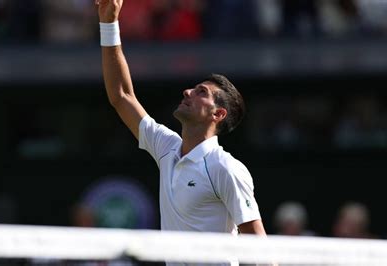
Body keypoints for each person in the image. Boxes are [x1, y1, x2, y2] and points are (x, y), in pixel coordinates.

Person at [96, 0, 267, 241]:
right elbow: (121, 96)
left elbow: (258, 245)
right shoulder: (166, 148)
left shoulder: (225, 169)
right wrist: (109, 22)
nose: (188, 92)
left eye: (201, 92)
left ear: (218, 114)